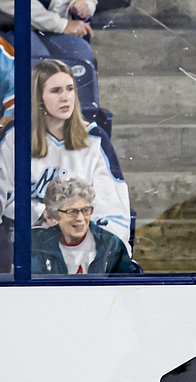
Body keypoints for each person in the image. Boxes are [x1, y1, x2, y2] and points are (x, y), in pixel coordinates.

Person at [0, 59, 131, 251]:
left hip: (81, 246)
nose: (65, 98)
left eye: (70, 89)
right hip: (23, 247)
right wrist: (43, 213)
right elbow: (4, 196)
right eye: (56, 91)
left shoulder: (94, 140)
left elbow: (114, 212)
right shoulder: (15, 136)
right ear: (38, 98)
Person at [31, 177, 138, 274]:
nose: (80, 218)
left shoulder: (111, 244)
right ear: (55, 213)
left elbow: (127, 288)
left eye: (85, 210)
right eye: (72, 211)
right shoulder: (39, 244)